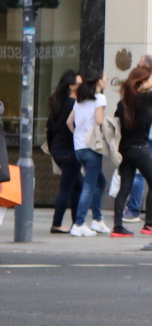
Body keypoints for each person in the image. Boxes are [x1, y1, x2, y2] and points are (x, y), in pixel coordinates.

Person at [112, 66, 152, 238]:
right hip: (140, 148)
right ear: (142, 82)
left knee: (124, 188)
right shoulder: (144, 99)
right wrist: (146, 86)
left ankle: (118, 227)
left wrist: (139, 85)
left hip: (125, 149)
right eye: (148, 80)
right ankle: (149, 224)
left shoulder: (123, 103)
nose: (151, 83)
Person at [122, 54, 152, 224]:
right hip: (150, 136)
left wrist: (141, 113)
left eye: (139, 64)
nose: (136, 66)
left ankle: (134, 209)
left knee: (139, 174)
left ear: (147, 67)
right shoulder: (143, 85)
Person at [69, 70, 109, 237]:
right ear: (99, 81)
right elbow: (99, 121)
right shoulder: (99, 98)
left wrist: (78, 135)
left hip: (79, 147)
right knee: (90, 185)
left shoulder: (80, 100)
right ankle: (79, 224)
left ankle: (97, 220)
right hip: (92, 147)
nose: (106, 80)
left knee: (100, 181)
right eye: (105, 77)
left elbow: (69, 122)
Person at [45, 69, 82, 233]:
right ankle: (57, 223)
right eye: (80, 84)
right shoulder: (74, 105)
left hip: (58, 149)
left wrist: (52, 148)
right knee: (67, 187)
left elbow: (48, 128)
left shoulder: (57, 102)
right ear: (72, 86)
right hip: (70, 150)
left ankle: (76, 222)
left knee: (78, 184)